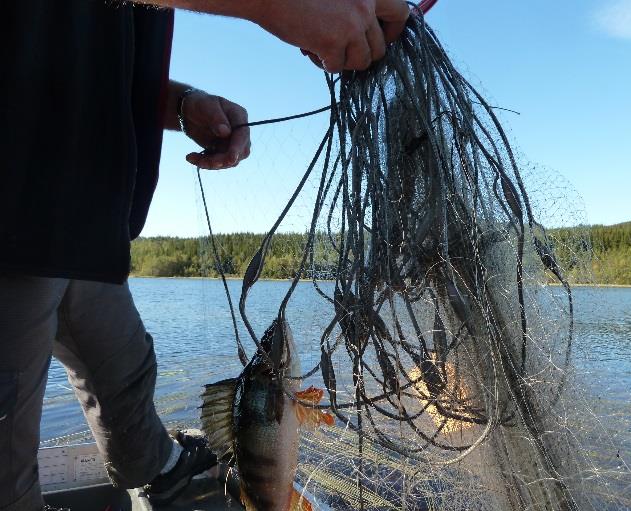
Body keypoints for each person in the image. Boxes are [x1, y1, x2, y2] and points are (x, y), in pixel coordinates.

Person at [0, 1, 409, 510]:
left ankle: (162, 472)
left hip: (87, 229)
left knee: (126, 370)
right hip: (12, 213)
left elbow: (85, 68)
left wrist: (181, 103)